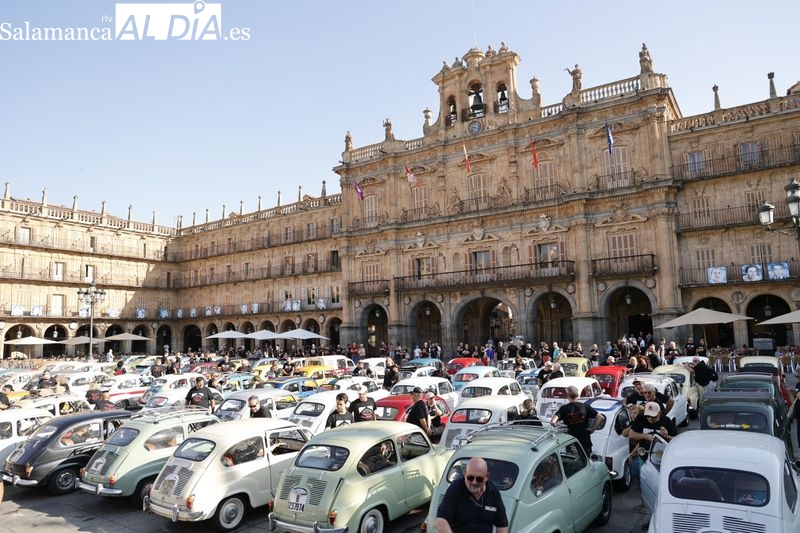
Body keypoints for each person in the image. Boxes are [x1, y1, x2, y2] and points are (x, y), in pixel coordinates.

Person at [435, 457, 509, 533]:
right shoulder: (456, 488)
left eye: (479, 479)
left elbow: (502, 525)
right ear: (465, 474)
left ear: (487, 477)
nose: (474, 482)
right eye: (470, 477)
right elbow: (440, 521)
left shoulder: (493, 492)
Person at [550, 385, 605, 455]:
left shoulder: (564, 409)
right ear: (577, 395)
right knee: (586, 459)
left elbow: (553, 421)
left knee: (572, 460)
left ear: (567, 396)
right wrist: (593, 429)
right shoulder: (585, 407)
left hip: (571, 442)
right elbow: (601, 418)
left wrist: (557, 427)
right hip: (585, 441)